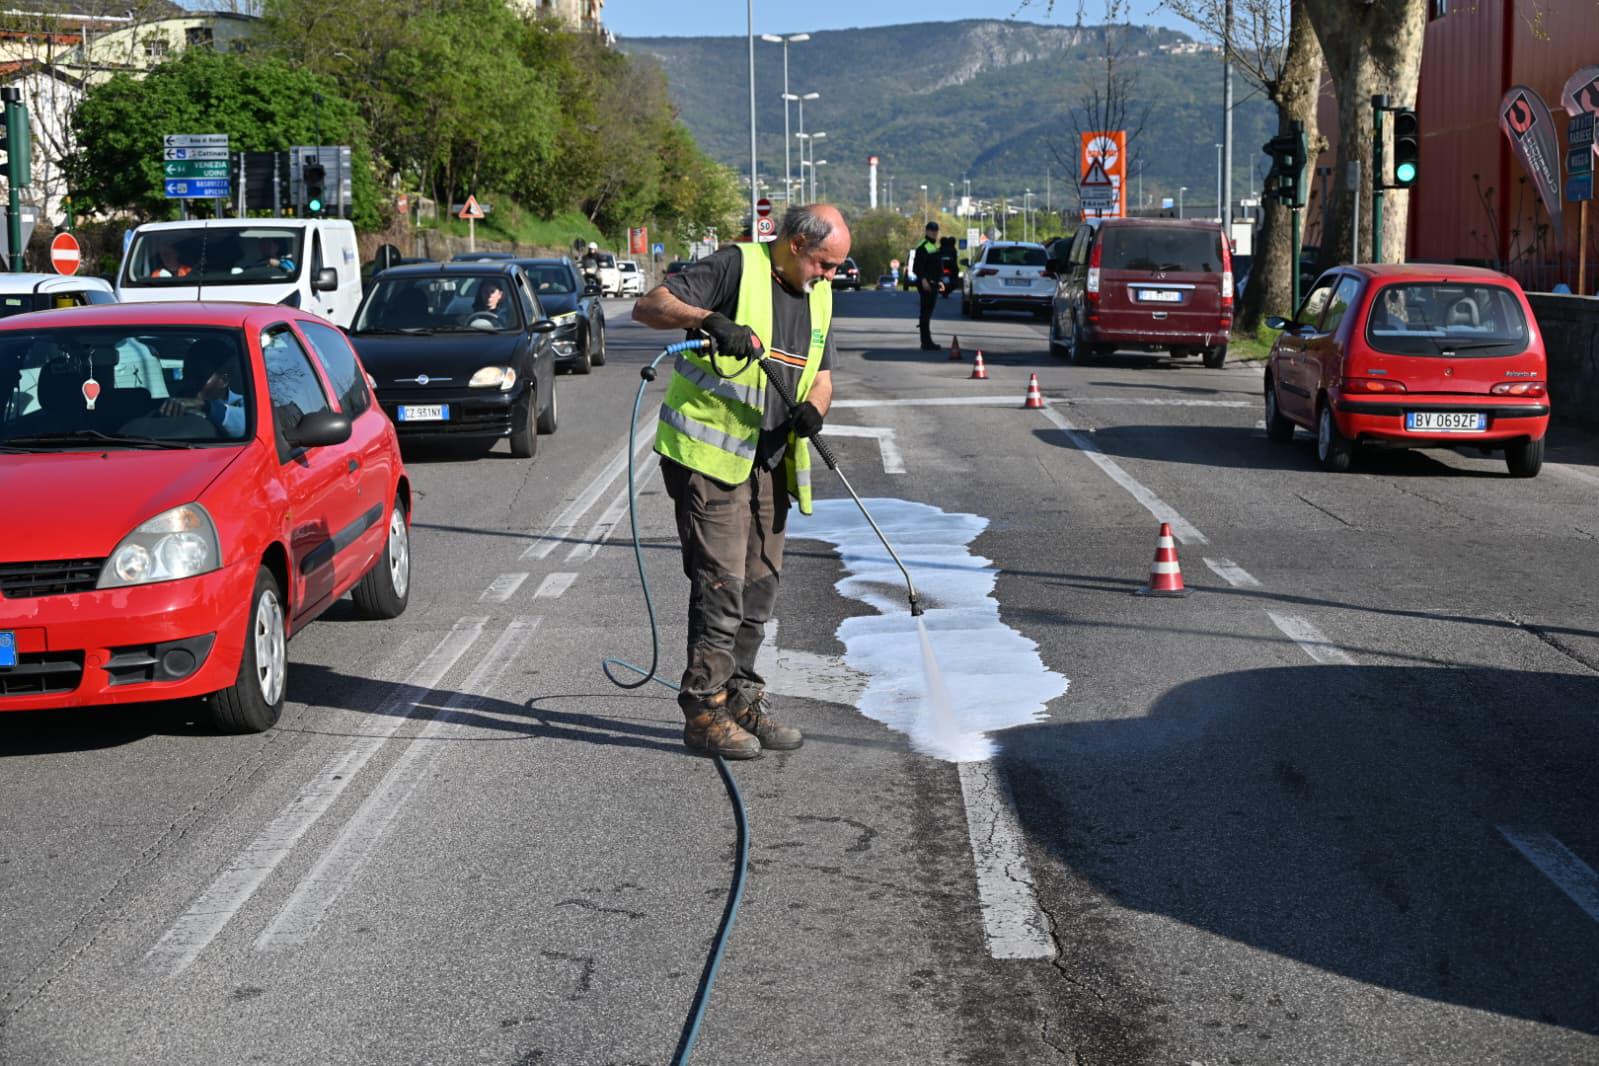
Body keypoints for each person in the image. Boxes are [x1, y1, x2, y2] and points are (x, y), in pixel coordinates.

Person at [631, 203, 850, 759]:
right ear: (797, 243)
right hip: (710, 459)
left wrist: (815, 412)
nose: (829, 277)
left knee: (760, 587)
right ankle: (703, 709)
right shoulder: (737, 266)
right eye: (824, 264)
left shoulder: (820, 296)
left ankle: (741, 699)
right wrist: (708, 320)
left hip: (770, 461)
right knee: (721, 587)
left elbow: (821, 374)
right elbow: (649, 305)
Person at [160, 338, 245, 437]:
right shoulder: (169, 405)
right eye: (187, 374)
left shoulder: (243, 405)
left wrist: (206, 406)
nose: (190, 382)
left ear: (224, 380)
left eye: (199, 377)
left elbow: (246, 425)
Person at [910, 220, 945, 349]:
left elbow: (935, 266)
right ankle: (926, 342)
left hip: (933, 283)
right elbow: (917, 267)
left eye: (936, 231)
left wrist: (939, 281)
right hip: (927, 284)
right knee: (925, 313)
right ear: (926, 231)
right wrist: (923, 280)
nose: (934, 233)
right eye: (931, 230)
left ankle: (927, 341)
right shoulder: (923, 246)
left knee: (928, 313)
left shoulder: (932, 246)